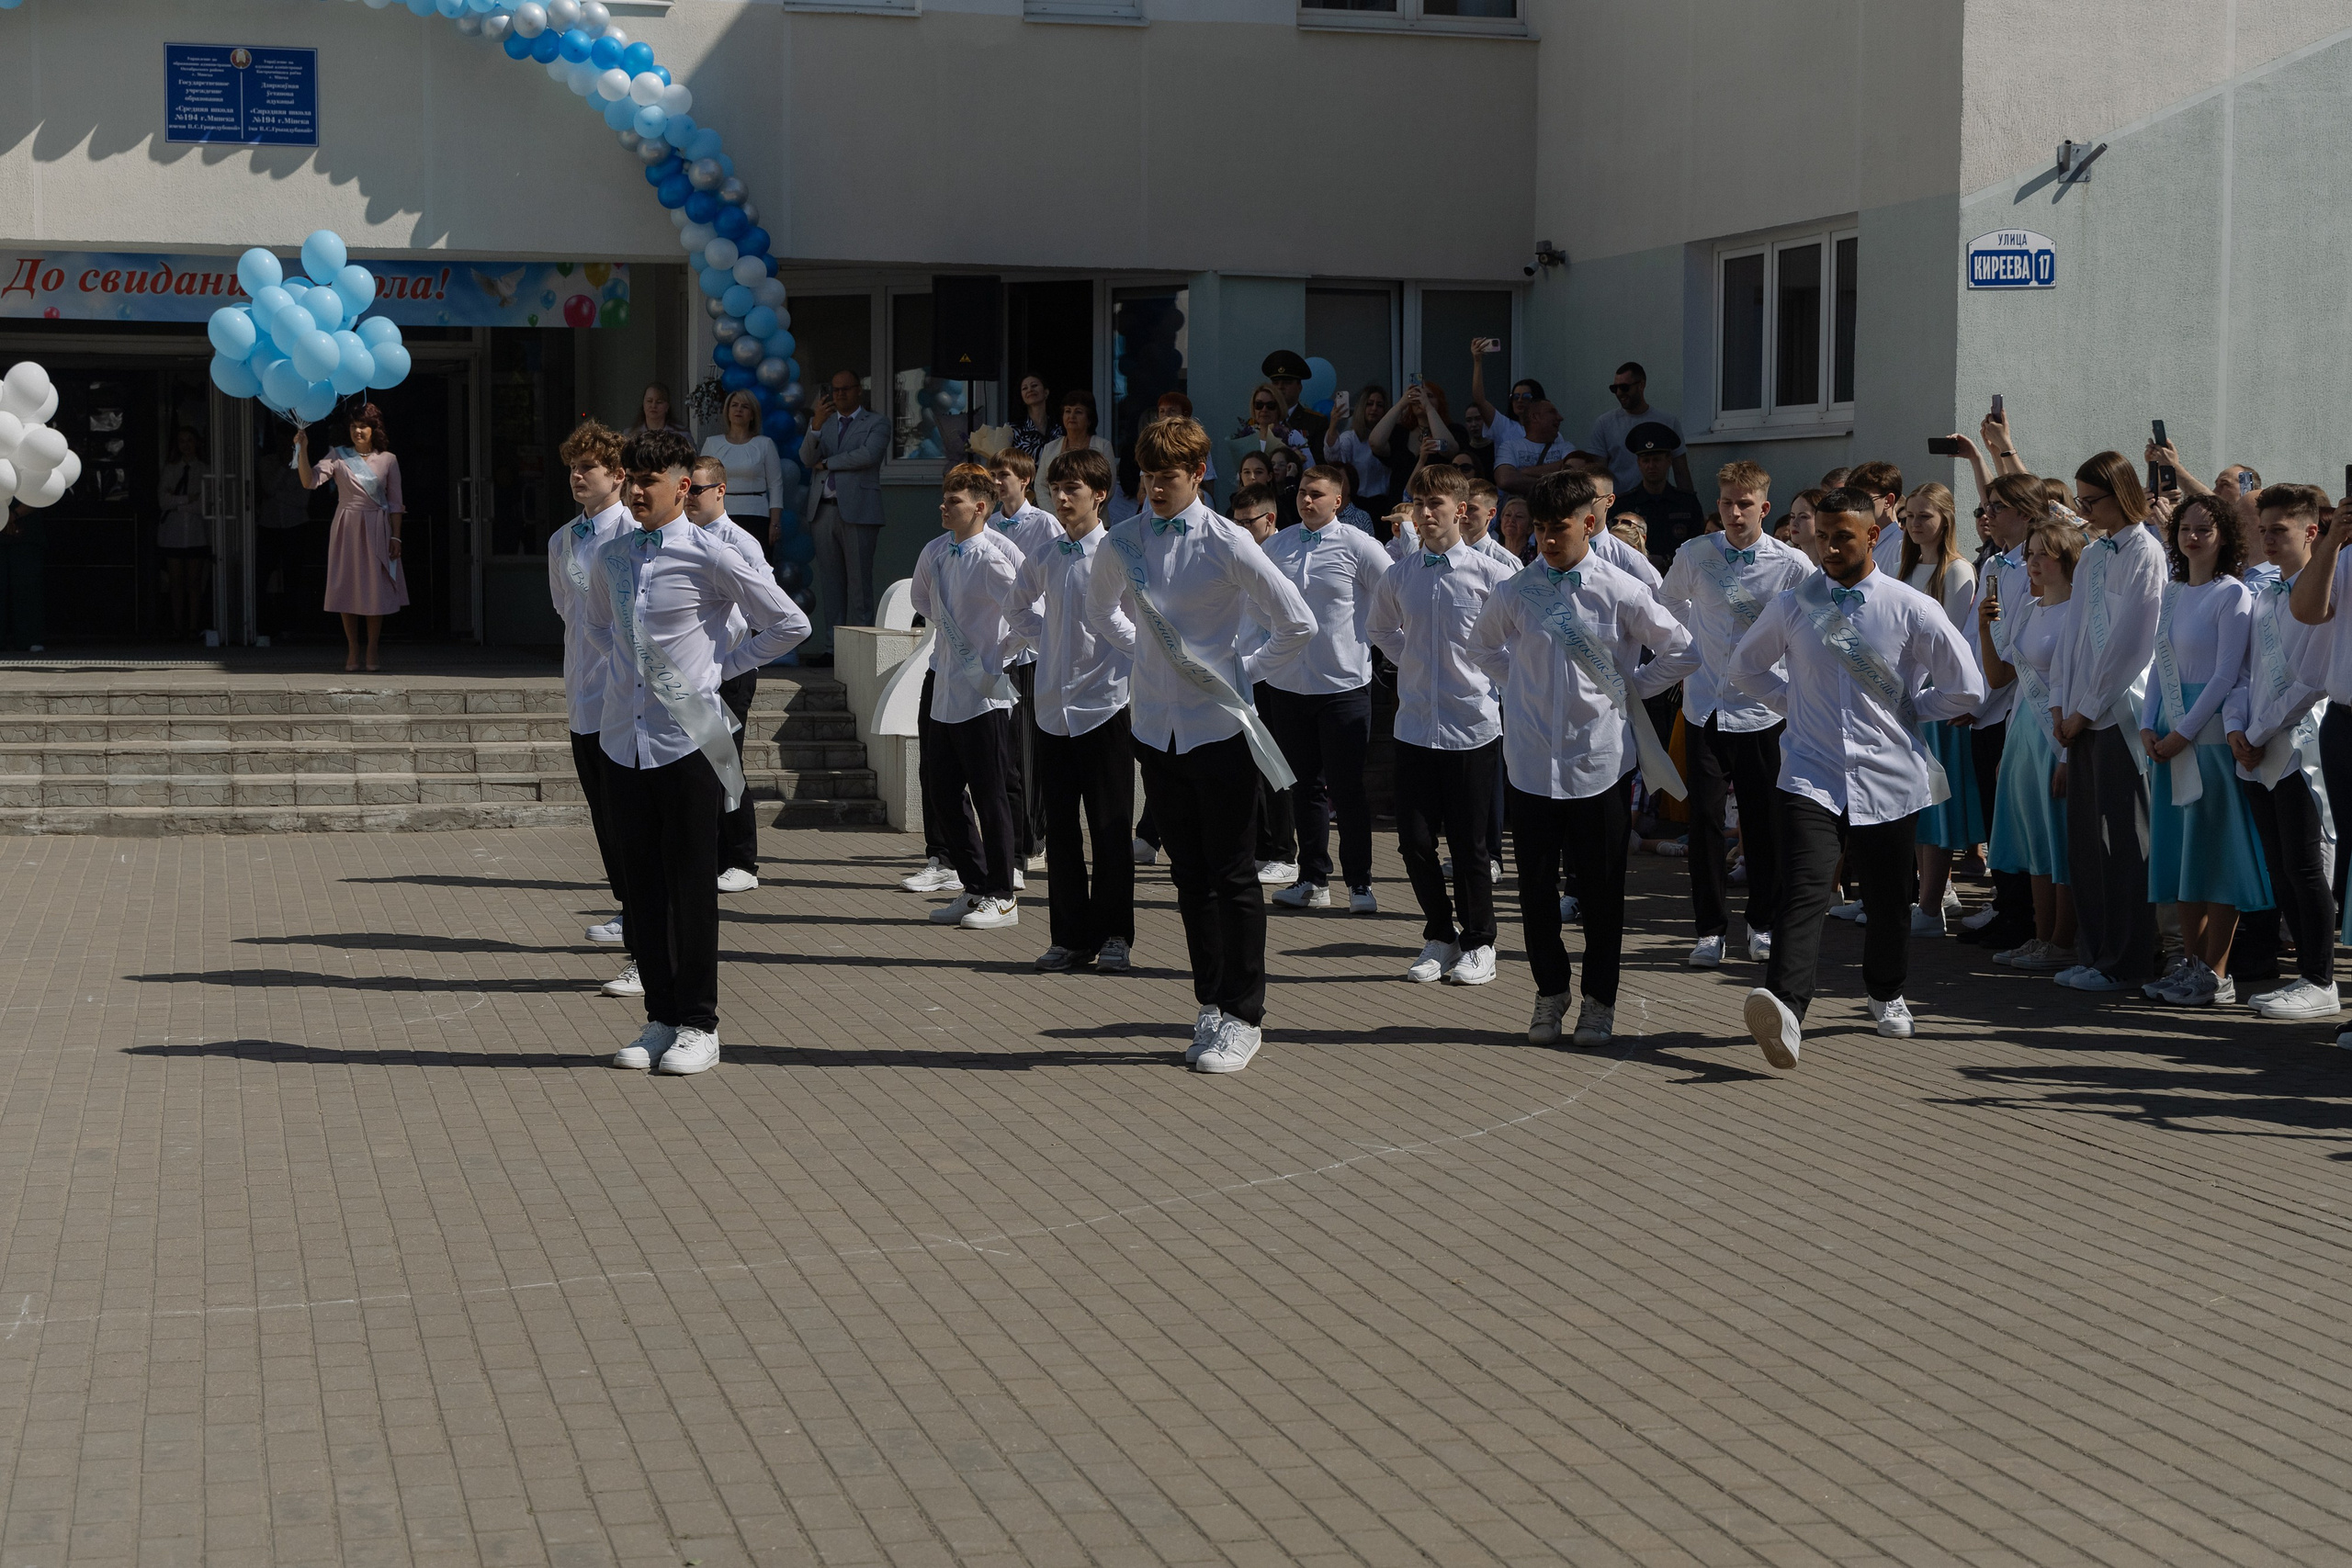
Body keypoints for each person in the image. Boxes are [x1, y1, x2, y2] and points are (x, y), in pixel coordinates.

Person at [575, 428, 811, 1077]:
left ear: (683, 486)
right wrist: (629, 677)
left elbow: (790, 622)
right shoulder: (612, 557)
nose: (638, 491)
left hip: (689, 743)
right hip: (624, 740)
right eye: (632, 479)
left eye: (650, 481)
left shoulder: (713, 556)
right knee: (642, 891)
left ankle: (700, 1023)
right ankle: (659, 1015)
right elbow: (596, 627)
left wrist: (721, 664)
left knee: (691, 887)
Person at [1086, 414, 1313, 1076]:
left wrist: (1239, 676)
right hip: (1156, 729)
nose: (1155, 488)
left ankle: (1244, 1014)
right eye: (1148, 477)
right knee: (1187, 875)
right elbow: (1103, 611)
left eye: (1169, 477)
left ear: (1199, 475)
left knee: (1232, 872)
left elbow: (1296, 621)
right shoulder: (1122, 542)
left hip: (1218, 730)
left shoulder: (1227, 542)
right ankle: (1210, 1000)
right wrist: (1144, 657)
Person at [1728, 489, 1984, 1070]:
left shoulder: (1909, 606)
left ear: (1873, 535)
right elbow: (1745, 668)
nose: (1830, 547)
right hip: (1810, 774)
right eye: (1822, 535)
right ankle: (1787, 1010)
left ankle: (1886, 992)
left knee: (1890, 898)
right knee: (1804, 888)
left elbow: (1968, 686)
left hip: (1889, 777)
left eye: (1843, 535)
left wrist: (1915, 708)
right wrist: (1791, 702)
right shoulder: (1794, 604)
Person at [1468, 468, 1694, 1047]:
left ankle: (1600, 1000)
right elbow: (1481, 647)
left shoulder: (1619, 589)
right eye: (1538, 528)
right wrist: (1518, 687)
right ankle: (1550, 990)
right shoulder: (1517, 590)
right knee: (1535, 891)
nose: (1546, 538)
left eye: (1558, 527)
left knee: (1599, 891)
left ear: (1589, 523)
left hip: (1600, 764)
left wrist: (1631, 690)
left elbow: (1681, 650)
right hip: (1529, 762)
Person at [1367, 463, 1518, 987]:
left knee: (1471, 845)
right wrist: (1411, 659)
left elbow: (1519, 639)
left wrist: (1493, 679)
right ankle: (1440, 934)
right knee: (1412, 841)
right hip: (1413, 727)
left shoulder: (1492, 574)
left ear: (1461, 509)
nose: (1426, 514)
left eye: (1436, 505)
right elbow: (1379, 627)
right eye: (1419, 504)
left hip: (1472, 725)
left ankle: (1481, 942)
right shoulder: (1400, 574)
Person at [1659, 459, 1811, 969]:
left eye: (1744, 503)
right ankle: (1709, 930)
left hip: (1765, 710)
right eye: (1726, 502)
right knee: (1702, 822)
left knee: (1764, 822)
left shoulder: (1791, 564)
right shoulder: (1695, 554)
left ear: (1764, 508)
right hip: (1705, 705)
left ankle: (1762, 922)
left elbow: (1814, 627)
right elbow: (1668, 606)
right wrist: (1688, 654)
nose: (1734, 512)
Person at [2134, 491, 2270, 1005]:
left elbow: (2225, 675)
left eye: (2205, 530)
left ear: (2224, 537)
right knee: (2180, 856)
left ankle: (2217, 972)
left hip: (2206, 738)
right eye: (2185, 529)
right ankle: (2189, 964)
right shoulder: (2172, 593)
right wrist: (2149, 726)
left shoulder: (2232, 594)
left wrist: (2182, 732)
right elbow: (2156, 665)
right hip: (2168, 734)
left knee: (2213, 855)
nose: (2193, 537)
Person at [1013, 446, 1136, 972]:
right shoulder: (1046, 554)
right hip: (1051, 709)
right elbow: (1017, 607)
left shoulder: (1118, 552)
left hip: (1105, 705)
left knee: (1109, 827)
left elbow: (1140, 626)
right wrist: (1050, 639)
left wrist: (1121, 664)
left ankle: (1114, 934)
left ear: (1099, 495)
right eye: (1055, 490)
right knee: (1059, 828)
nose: (1062, 499)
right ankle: (1068, 935)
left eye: (1073, 491)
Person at [2052, 451, 2165, 993]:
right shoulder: (2095, 554)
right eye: (2080, 500)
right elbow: (2072, 635)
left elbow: (2132, 645)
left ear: (2120, 494)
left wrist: (2085, 708)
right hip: (2079, 715)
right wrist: (2059, 701)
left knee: (2123, 841)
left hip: (2117, 713)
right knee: (2087, 844)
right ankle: (2095, 952)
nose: (2083, 510)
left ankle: (2128, 959)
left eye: (2091, 500)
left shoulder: (2147, 553)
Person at [2225, 484, 2338, 1021]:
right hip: (2256, 745)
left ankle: (2320, 977)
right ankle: (2304, 978)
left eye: (2280, 530)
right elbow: (2243, 671)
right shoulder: (2263, 591)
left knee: (2304, 866)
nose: (2268, 539)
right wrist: (2235, 730)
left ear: (2312, 532)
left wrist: (2263, 730)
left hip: (2295, 744)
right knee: (2278, 867)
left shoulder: (2325, 588)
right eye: (2263, 529)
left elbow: (2311, 679)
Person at [1259, 464, 1391, 916]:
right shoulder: (1278, 545)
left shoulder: (1359, 545)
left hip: (1343, 686)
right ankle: (1313, 878)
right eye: (1301, 493)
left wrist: (1374, 641)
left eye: (1317, 494)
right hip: (1288, 684)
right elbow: (1257, 603)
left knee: (1348, 787)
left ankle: (1360, 882)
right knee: (1304, 787)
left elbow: (1391, 595)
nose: (1306, 500)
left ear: (1338, 501)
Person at [909, 463, 1027, 932]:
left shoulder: (995, 558)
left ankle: (1002, 894)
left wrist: (1001, 652)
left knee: (991, 794)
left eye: (953, 500)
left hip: (985, 695)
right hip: (945, 688)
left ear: (980, 507)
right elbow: (923, 601)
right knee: (941, 791)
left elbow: (1028, 613)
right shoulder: (935, 552)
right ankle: (974, 885)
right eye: (944, 497)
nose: (944, 505)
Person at [546, 421, 639, 990]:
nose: (578, 476)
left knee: (631, 818)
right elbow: (567, 608)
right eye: (573, 468)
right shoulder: (562, 540)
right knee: (604, 816)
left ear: (618, 475)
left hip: (628, 702)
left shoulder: (632, 535)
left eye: (589, 467)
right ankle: (628, 906)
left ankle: (643, 928)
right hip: (583, 695)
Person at [1978, 512, 2082, 972]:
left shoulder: (2078, 613)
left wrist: (2066, 755)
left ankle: (2063, 939)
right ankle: (2041, 936)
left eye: (2045, 555)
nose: (2034, 563)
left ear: (2069, 558)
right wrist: (1985, 628)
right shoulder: (2030, 608)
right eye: (2031, 554)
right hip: (2022, 731)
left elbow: (2075, 686)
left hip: (2056, 736)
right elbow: (2002, 675)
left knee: (2059, 842)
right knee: (2034, 842)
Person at [686, 455, 788, 895]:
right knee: (696, 762)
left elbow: (771, 607)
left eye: (697, 490)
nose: (688, 497)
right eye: (685, 489)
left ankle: (742, 860)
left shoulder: (740, 543)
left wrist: (740, 656)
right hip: (694, 669)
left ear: (720, 491)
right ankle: (706, 853)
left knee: (726, 761)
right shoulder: (683, 537)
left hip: (730, 669)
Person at [1950, 469, 2041, 953]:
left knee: (2017, 816)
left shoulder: (2032, 567)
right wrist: (1966, 694)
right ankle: (2007, 906)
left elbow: (2017, 653)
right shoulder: (1994, 566)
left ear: (2025, 513)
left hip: (2010, 706)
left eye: (1996, 508)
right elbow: (1972, 637)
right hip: (1983, 706)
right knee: (1995, 814)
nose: (1986, 516)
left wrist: (1982, 699)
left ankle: (2022, 914)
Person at [1897, 482, 1982, 936]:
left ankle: (1931, 905)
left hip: (1936, 699)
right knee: (1913, 803)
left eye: (1924, 516)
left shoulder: (1957, 571)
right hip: (1903, 696)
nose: (1914, 524)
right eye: (1909, 516)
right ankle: (1923, 897)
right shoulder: (1904, 567)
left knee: (1935, 806)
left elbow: (1950, 644)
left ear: (1945, 520)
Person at [985, 450, 1060, 865]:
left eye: (1004, 475)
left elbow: (1047, 585)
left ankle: (1035, 836)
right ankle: (1015, 834)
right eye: (993, 475)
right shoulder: (991, 524)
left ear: (1025, 481)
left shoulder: (1044, 523)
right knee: (1008, 745)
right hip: (1000, 647)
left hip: (1030, 647)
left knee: (1030, 745)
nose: (997, 482)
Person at [297, 404, 406, 673]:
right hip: (347, 526)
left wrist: (396, 538)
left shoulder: (389, 460)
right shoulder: (338, 456)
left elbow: (395, 504)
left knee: (374, 588)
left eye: (364, 426)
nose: (358, 430)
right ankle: (353, 648)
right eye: (354, 425)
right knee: (348, 585)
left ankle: (372, 648)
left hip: (377, 527)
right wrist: (302, 449)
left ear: (373, 429)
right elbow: (309, 481)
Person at [1228, 484, 1299, 885]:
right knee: (1247, 766)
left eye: (1246, 522)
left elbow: (1287, 625)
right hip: (1240, 672)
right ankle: (1258, 847)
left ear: (1269, 519)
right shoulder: (1237, 551)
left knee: (1274, 765)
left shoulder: (1277, 558)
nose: (1238, 528)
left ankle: (1283, 852)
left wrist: (1256, 665)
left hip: (1270, 675)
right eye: (1234, 521)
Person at [798, 368, 890, 661]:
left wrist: (828, 463)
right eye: (835, 390)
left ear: (858, 391)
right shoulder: (823, 423)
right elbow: (805, 459)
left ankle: (861, 651)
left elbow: (869, 455)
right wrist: (814, 426)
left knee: (859, 584)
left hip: (860, 511)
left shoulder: (877, 422)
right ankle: (832, 649)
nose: (840, 394)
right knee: (831, 583)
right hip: (823, 511)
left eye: (846, 389)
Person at [1580, 362, 1690, 493]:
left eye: (1624, 387)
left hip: (1657, 503)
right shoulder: (1604, 423)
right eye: (1615, 389)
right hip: (1618, 505)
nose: (1620, 393)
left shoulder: (1667, 422)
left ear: (1641, 385)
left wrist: (1691, 505)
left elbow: (1681, 472)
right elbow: (1598, 475)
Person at [1613, 421, 1705, 568]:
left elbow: (1699, 549)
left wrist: (1667, 560)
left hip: (1679, 580)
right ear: (1638, 463)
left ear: (1669, 460)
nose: (1651, 466)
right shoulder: (1623, 505)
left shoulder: (1687, 503)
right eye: (1646, 460)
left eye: (1656, 460)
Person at [702, 389, 785, 548]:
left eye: (745, 406)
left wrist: (775, 523)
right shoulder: (712, 443)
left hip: (756, 516)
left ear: (752, 414)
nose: (738, 409)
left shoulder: (765, 444)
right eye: (734, 405)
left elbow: (775, 485)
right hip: (720, 516)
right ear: (727, 411)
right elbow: (702, 483)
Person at [156, 426, 211, 640]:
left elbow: (204, 504)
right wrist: (188, 499)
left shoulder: (205, 469)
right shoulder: (170, 469)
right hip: (173, 534)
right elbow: (163, 501)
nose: (185, 445)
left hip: (196, 533)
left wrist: (177, 502)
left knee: (194, 581)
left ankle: (193, 626)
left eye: (189, 440)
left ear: (196, 443)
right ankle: (178, 626)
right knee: (176, 582)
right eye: (181, 441)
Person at [1036, 389, 1125, 520]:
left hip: (1093, 519)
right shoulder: (1050, 448)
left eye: (1078, 412)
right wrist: (1057, 516)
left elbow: (1108, 486)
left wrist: (1085, 512)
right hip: (1058, 522)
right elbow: (1040, 485)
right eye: (1068, 411)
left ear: (1089, 419)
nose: (1071, 416)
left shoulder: (1102, 446)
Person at [1322, 385, 1398, 527]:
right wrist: (1333, 425)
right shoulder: (1351, 438)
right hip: (1359, 502)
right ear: (1361, 407)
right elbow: (1334, 460)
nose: (1374, 408)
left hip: (1385, 504)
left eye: (1379, 405)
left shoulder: (1393, 438)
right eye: (1369, 404)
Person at [1466, 345, 1539, 454]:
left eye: (1526, 397)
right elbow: (1479, 400)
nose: (1519, 400)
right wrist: (1477, 361)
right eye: (1515, 397)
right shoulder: (1504, 426)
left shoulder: (1549, 431)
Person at [1494, 400, 1571, 498]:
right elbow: (1505, 480)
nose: (1560, 418)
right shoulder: (1509, 447)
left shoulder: (1565, 447)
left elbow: (1574, 469)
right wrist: (1555, 486)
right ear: (1535, 417)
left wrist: (1524, 472)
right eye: (1552, 412)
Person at [1846, 459, 1907, 577]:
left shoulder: (1902, 546)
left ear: (1888, 501)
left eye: (1864, 499)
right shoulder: (1854, 542)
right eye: (1851, 498)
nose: (1854, 506)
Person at [1261, 350, 1329, 456]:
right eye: (1275, 383)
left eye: (1287, 383)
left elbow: (1319, 463)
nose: (1280, 387)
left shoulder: (1316, 422)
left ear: (1299, 387)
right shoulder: (1262, 418)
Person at [1010, 374, 1056, 461]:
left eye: (1034, 385)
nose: (1030, 390)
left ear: (1046, 392)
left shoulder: (1060, 428)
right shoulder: (1012, 429)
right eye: (1025, 388)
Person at [625, 382, 693, 440]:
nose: (653, 406)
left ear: (667, 406)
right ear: (643, 404)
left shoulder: (682, 435)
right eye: (649, 401)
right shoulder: (630, 435)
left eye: (659, 402)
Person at [1498, 495, 1533, 563]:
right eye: (1508, 515)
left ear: (1530, 527)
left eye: (1519, 516)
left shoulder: (1534, 557)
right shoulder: (1492, 553)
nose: (1511, 520)